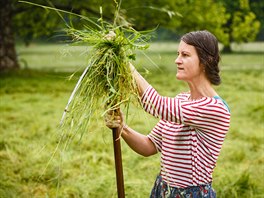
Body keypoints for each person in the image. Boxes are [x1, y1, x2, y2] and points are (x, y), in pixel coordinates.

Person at [105, 30, 231, 198]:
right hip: (163, 190)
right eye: (178, 54)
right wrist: (122, 127)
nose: (177, 60)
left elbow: (155, 104)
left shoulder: (214, 108)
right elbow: (149, 145)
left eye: (185, 55)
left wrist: (123, 60)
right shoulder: (182, 100)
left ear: (205, 61)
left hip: (191, 194)